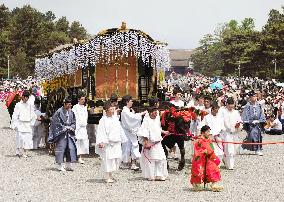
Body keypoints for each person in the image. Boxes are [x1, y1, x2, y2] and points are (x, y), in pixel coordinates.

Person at [96, 101, 127, 183]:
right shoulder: (103, 120)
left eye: (113, 109)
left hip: (116, 141)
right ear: (106, 110)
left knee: (116, 158)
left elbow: (119, 129)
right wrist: (101, 141)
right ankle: (107, 176)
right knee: (108, 159)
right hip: (108, 143)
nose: (113, 110)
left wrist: (123, 138)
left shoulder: (116, 119)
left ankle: (111, 174)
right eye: (111, 109)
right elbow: (100, 131)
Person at [138, 107, 169, 181]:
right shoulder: (146, 121)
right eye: (155, 112)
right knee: (151, 159)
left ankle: (159, 174)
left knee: (161, 158)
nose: (156, 114)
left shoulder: (157, 119)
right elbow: (144, 132)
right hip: (150, 143)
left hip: (158, 143)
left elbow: (158, 128)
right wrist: (146, 142)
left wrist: (164, 132)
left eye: (157, 112)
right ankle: (151, 175)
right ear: (150, 113)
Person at [190, 125, 223, 192]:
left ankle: (214, 184)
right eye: (207, 131)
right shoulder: (199, 140)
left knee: (213, 169)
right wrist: (204, 151)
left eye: (209, 131)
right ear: (203, 132)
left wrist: (209, 152)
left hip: (208, 158)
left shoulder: (208, 140)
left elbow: (211, 148)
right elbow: (197, 150)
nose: (209, 133)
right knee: (199, 171)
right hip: (201, 159)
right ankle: (196, 185)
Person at [48, 98, 77, 171]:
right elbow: (55, 122)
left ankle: (68, 165)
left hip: (69, 133)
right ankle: (60, 165)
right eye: (68, 104)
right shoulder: (58, 112)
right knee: (61, 148)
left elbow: (74, 122)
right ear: (64, 104)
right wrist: (63, 127)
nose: (69, 106)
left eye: (70, 105)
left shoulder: (71, 112)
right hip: (61, 133)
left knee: (70, 148)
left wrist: (71, 127)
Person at [120, 95, 147, 170]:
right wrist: (142, 113)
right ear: (127, 102)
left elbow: (133, 117)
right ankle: (125, 162)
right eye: (131, 101)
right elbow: (133, 118)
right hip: (128, 132)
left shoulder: (128, 110)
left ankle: (133, 163)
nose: (132, 102)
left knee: (134, 146)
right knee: (127, 147)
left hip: (131, 132)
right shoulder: (125, 111)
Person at [11, 90, 37, 157]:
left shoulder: (30, 105)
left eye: (27, 97)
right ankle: (19, 151)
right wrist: (14, 124)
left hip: (28, 124)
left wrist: (33, 121)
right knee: (20, 138)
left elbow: (33, 114)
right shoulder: (18, 105)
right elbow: (15, 115)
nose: (26, 99)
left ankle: (25, 152)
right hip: (20, 123)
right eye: (25, 97)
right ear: (22, 97)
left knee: (27, 138)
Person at [241, 91, 266, 156]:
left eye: (255, 96)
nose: (255, 98)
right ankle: (246, 147)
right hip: (250, 124)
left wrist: (260, 120)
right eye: (253, 96)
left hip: (258, 123)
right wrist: (250, 121)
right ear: (250, 97)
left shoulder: (259, 105)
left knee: (258, 135)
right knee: (252, 135)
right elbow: (246, 115)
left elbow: (261, 114)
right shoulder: (247, 106)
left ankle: (257, 149)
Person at [221, 97, 242, 170]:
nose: (231, 106)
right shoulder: (223, 111)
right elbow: (221, 122)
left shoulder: (236, 112)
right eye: (229, 104)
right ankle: (230, 165)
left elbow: (239, 120)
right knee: (229, 150)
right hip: (226, 133)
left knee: (235, 149)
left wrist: (238, 125)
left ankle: (226, 160)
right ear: (226, 104)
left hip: (235, 133)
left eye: (232, 104)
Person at [72, 93, 89, 164]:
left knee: (83, 142)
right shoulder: (75, 107)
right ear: (78, 100)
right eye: (81, 99)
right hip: (78, 127)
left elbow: (86, 117)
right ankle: (76, 156)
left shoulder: (84, 108)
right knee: (77, 142)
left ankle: (80, 157)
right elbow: (74, 117)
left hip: (83, 127)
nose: (83, 101)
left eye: (84, 99)